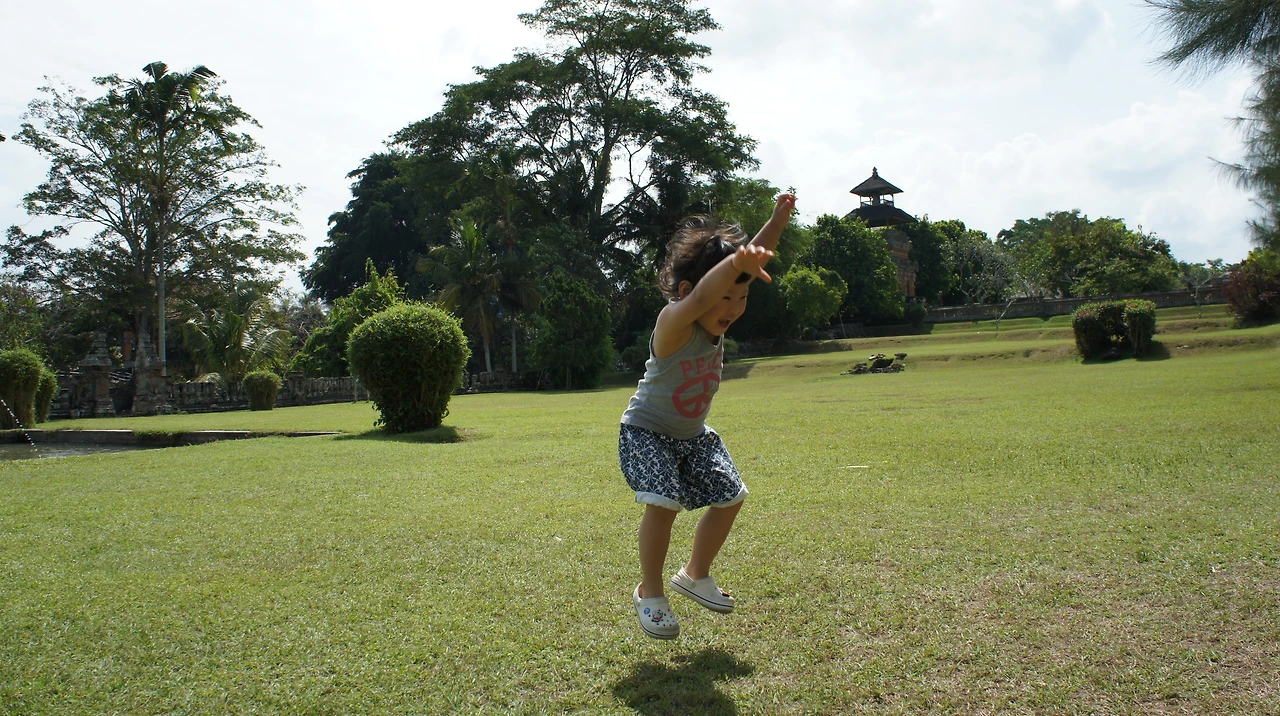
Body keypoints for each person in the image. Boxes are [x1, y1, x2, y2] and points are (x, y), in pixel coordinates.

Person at [619, 192, 796, 639]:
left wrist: (776, 222)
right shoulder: (675, 322)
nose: (734, 308)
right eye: (726, 297)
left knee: (731, 496)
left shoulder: (716, 316)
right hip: (646, 432)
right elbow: (704, 294)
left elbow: (749, 263)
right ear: (686, 293)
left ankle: (695, 573)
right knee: (663, 502)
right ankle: (650, 591)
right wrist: (736, 264)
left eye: (743, 297)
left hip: (693, 435)